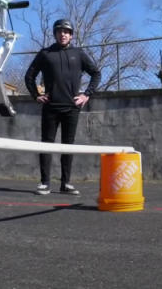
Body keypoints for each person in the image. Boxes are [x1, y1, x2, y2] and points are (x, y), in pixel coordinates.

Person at [24, 18, 101, 195]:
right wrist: (36, 95)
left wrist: (86, 94)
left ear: (71, 35)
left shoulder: (79, 54)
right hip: (50, 107)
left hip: (72, 108)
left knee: (68, 145)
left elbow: (96, 73)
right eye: (59, 31)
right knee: (46, 145)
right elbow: (29, 76)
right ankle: (44, 183)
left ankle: (65, 183)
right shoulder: (45, 53)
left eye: (66, 31)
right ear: (55, 34)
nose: (63, 34)